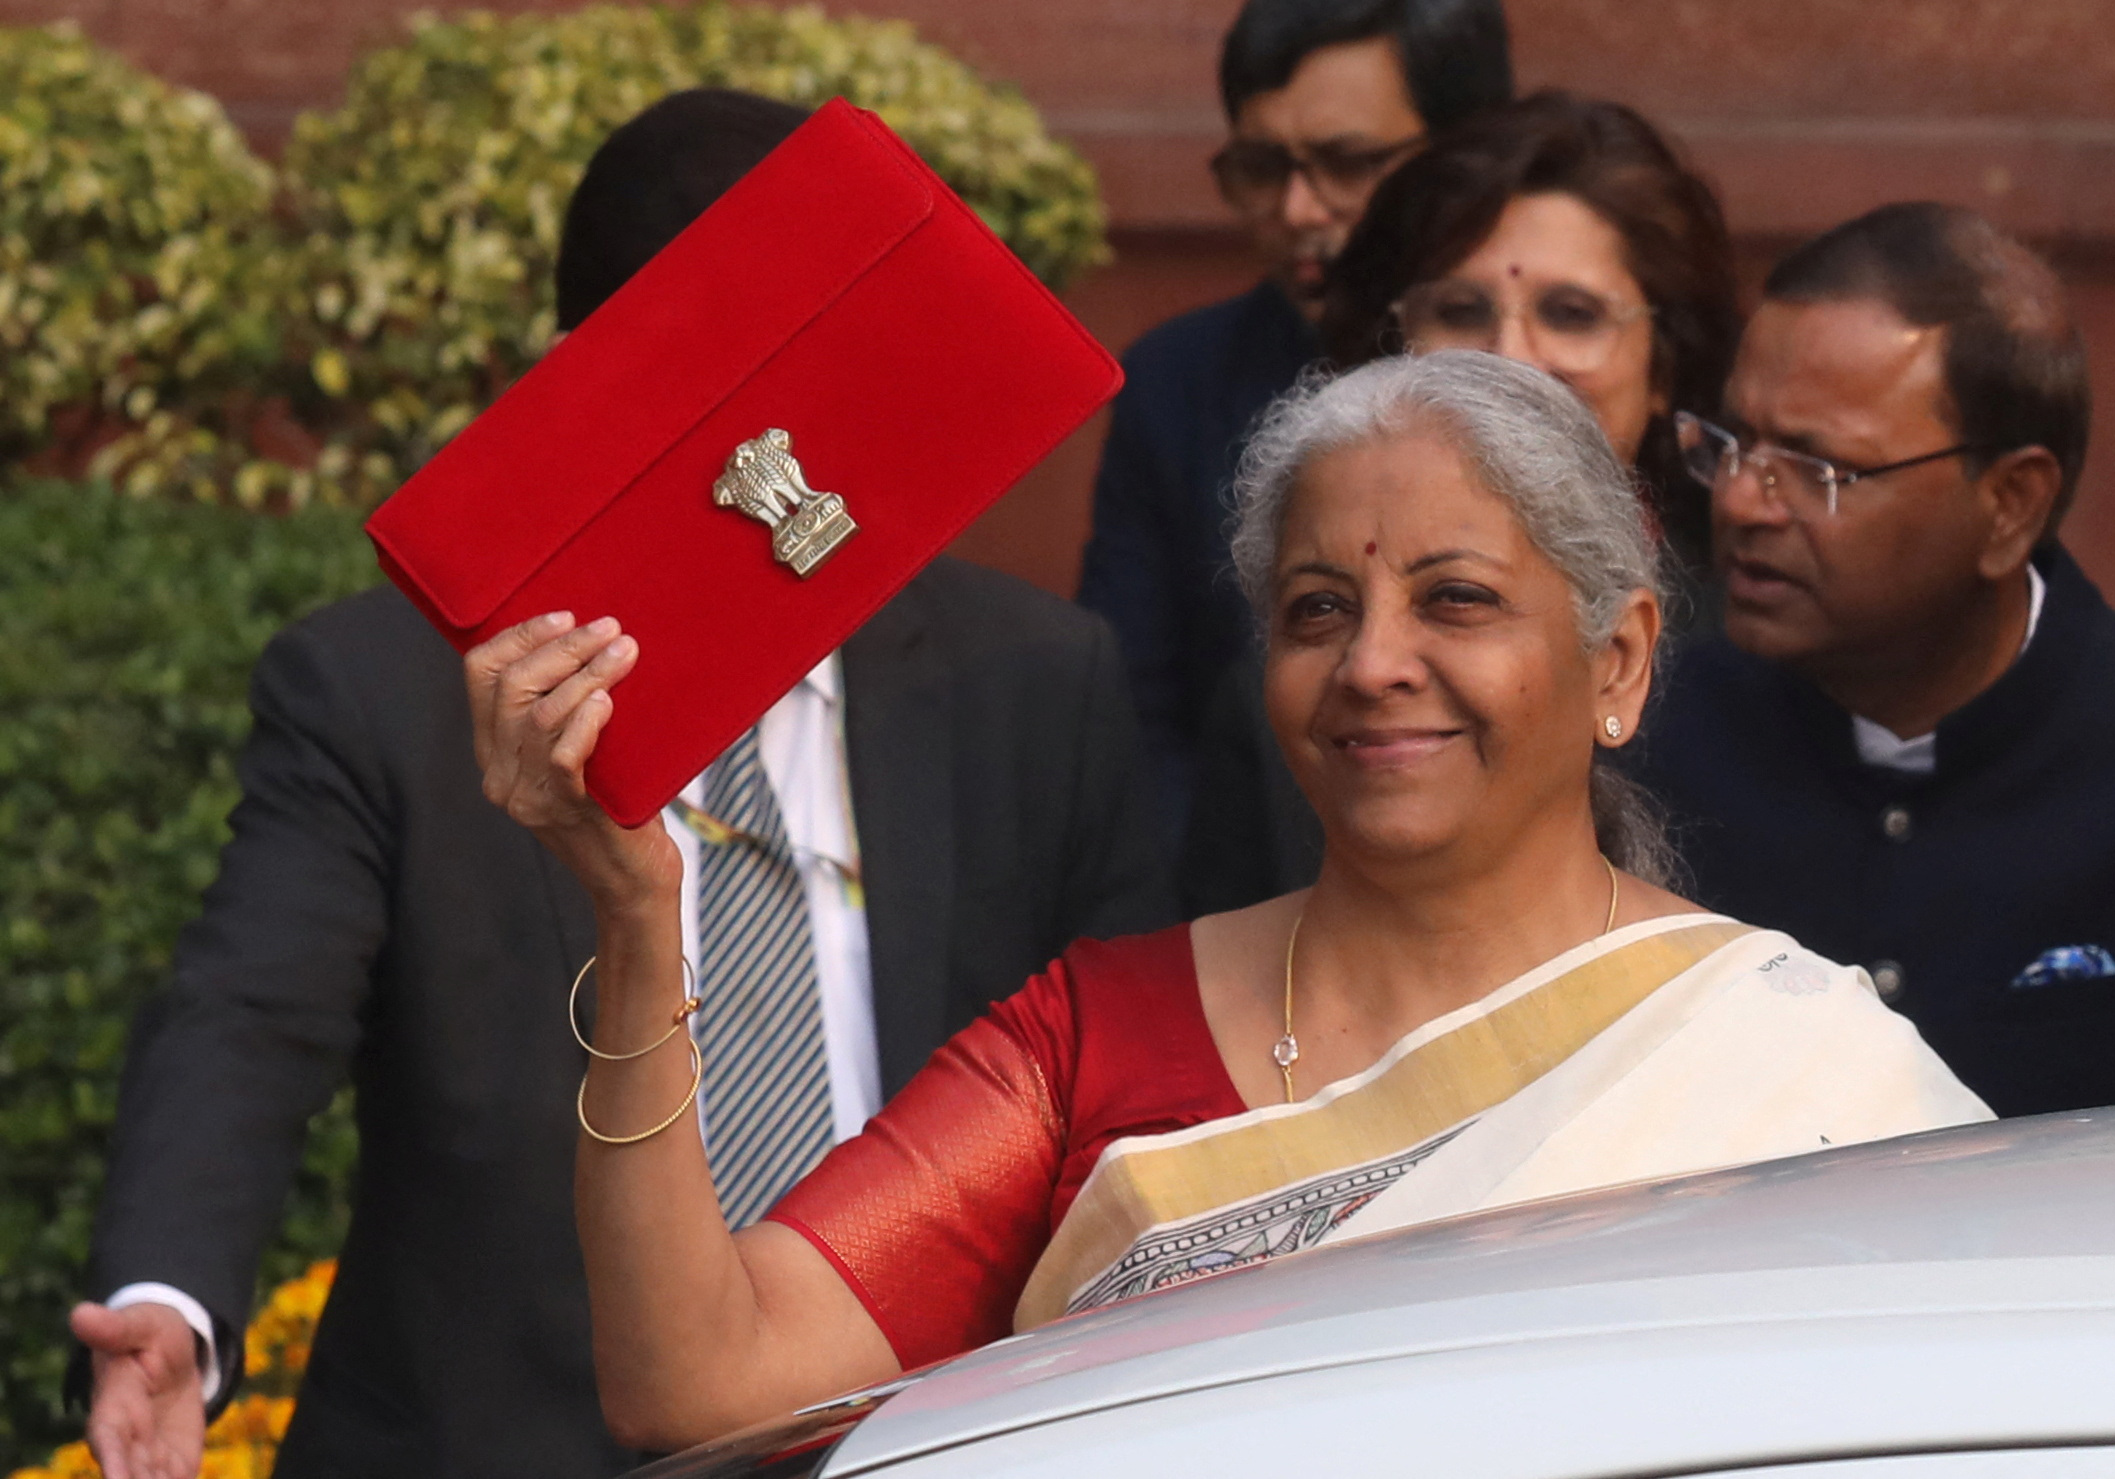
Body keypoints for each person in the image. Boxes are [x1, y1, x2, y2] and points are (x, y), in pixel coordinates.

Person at [473, 351, 1987, 1449]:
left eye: (1453, 598)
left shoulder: (1792, 1067)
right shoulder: (1089, 1035)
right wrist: (634, 918)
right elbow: (701, 1376)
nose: (1373, 659)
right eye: (1316, 608)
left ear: (1618, 662)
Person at [68, 89, 1171, 1479]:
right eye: (697, 390)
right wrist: (167, 1304)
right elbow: (247, 1012)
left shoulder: (1035, 681)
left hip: (924, 1433)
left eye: (793, 370)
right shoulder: (384, 692)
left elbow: (1125, 1089)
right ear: (574, 396)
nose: (753, 435)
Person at [1632, 201, 2115, 1118]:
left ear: (2011, 505)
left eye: (1819, 468)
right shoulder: (1649, 738)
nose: (1744, 501)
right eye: (1733, 444)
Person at [1182, 92, 1741, 915]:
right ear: (1388, 349)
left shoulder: (1755, 665)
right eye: (1459, 310)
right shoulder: (1308, 684)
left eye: (1571, 314)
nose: (1510, 360)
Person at [1076, 0, 1513, 841]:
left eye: (1349, 163)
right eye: (1262, 167)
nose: (1300, 209)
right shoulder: (1178, 382)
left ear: (1471, 151)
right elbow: (1133, 716)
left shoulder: (1560, 359)